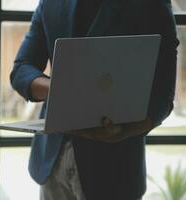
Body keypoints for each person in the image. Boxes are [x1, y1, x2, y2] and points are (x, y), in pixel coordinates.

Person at [10, 0, 179, 199]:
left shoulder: (150, 3)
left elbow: (163, 94)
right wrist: (58, 89)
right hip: (52, 164)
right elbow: (22, 69)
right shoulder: (50, 2)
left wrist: (127, 130)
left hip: (116, 169)